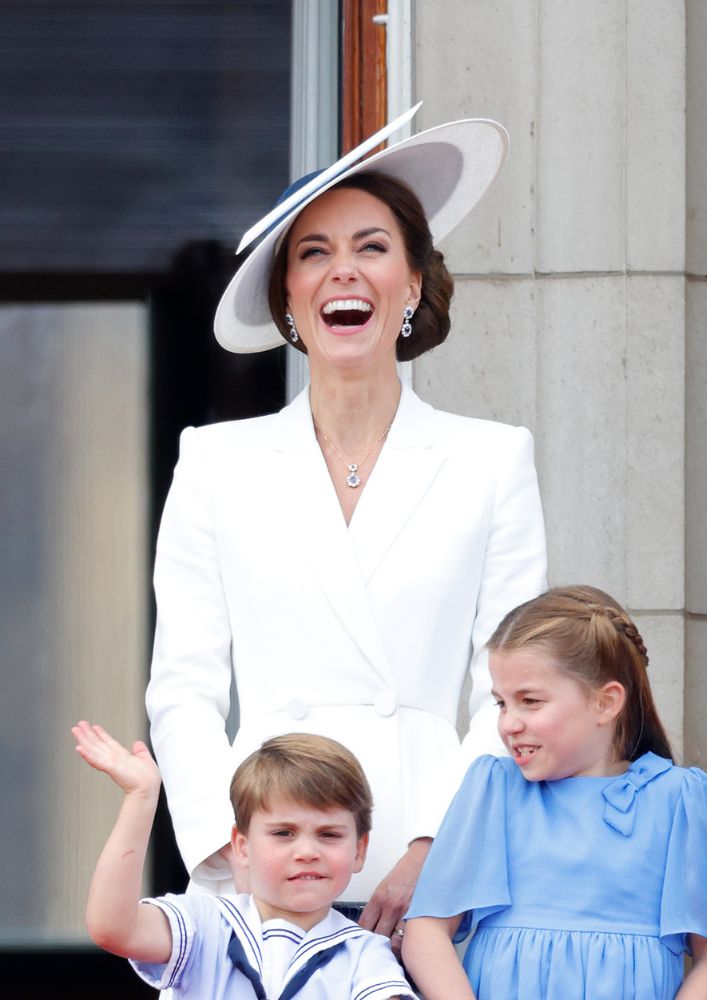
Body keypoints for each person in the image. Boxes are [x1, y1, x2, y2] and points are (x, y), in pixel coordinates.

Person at [145, 105, 548, 943]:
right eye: (314, 253)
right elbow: (183, 690)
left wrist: (442, 847)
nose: (344, 273)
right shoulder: (216, 462)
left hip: (430, 874)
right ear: (286, 297)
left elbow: (510, 691)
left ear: (411, 283)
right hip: (260, 866)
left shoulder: (491, 459)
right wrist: (230, 854)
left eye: (371, 248)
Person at [400, 585, 707, 1000]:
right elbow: (427, 929)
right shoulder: (493, 790)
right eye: (501, 704)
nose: (508, 724)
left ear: (605, 703)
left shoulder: (678, 799)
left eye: (530, 701)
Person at [74, 723, 414, 998]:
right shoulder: (205, 923)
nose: (307, 851)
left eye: (329, 835)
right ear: (241, 846)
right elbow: (113, 928)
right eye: (283, 833)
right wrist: (141, 797)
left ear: (359, 849)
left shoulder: (364, 953)